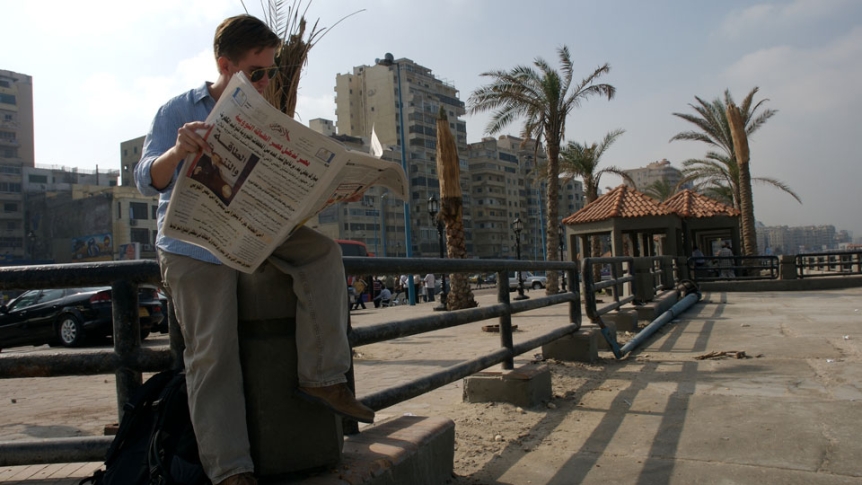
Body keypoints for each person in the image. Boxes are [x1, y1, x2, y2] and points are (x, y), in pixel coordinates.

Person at [134, 15, 373, 485]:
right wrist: (178, 151)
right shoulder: (177, 110)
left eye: (272, 72)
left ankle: (323, 376)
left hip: (252, 228)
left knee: (322, 254)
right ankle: (231, 471)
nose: (267, 82)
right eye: (257, 72)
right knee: (212, 354)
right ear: (225, 65)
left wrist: (333, 191)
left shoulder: (267, 116)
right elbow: (147, 180)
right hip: (194, 243)